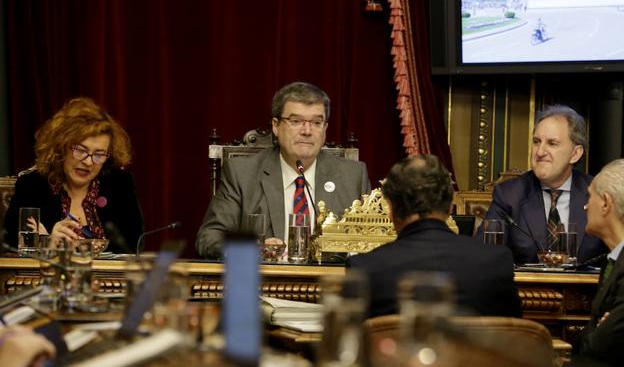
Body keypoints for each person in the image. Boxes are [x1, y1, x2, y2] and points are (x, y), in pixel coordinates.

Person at [196, 82, 371, 258]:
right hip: (265, 283)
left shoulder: (353, 176)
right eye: (296, 121)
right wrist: (256, 251)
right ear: (276, 126)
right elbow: (209, 239)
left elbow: (372, 243)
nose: (307, 131)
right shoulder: (242, 174)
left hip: (331, 283)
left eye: (316, 122)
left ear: (325, 129)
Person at [346, 155, 522, 318]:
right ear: (448, 206)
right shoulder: (496, 261)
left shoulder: (365, 268)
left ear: (390, 210)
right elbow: (513, 335)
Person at [4, 97, 144, 253]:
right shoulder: (31, 185)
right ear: (61, 147)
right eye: (81, 151)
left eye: (99, 154)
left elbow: (134, 246)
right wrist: (46, 245)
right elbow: (8, 246)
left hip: (108, 276)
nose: (89, 162)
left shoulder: (120, 184)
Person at [476, 105, 607, 264]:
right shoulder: (509, 195)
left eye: (552, 143)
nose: (540, 152)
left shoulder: (598, 194)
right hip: (526, 288)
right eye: (537, 142)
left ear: (575, 154)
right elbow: (484, 255)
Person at [571, 159, 624, 366]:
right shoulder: (613, 259)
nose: (585, 206)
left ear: (605, 203)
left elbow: (600, 346)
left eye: (589, 197)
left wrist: (600, 330)